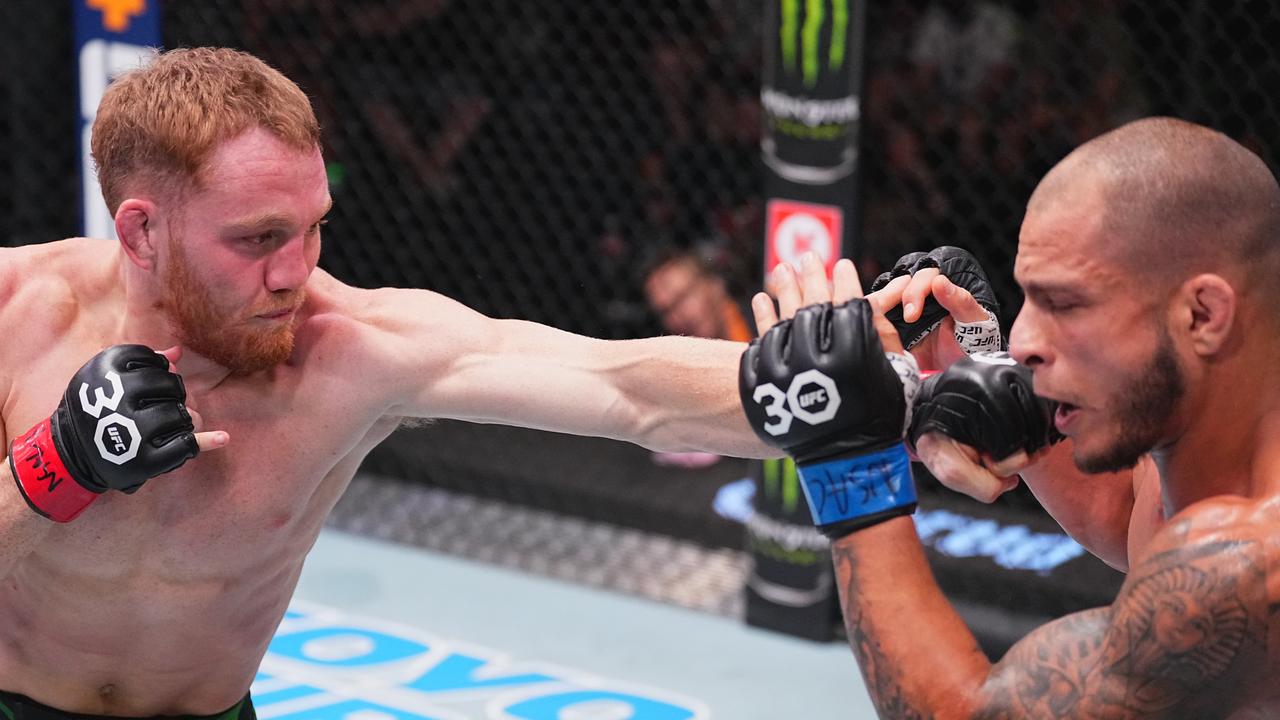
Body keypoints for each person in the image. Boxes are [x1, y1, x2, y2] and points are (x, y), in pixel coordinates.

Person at [0, 47, 788, 717]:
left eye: (314, 227)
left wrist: (860, 385)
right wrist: (51, 469)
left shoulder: (352, 348)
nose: (295, 272)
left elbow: (630, 390)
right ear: (142, 230)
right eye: (259, 237)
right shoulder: (17, 315)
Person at [743, 116, 1280, 717]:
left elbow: (972, 714)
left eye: (1065, 303)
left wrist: (849, 460)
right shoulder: (1218, 431)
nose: (1023, 340)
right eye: (1028, 298)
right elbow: (1129, 516)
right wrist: (987, 374)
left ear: (1204, 315)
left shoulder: (1256, 561)